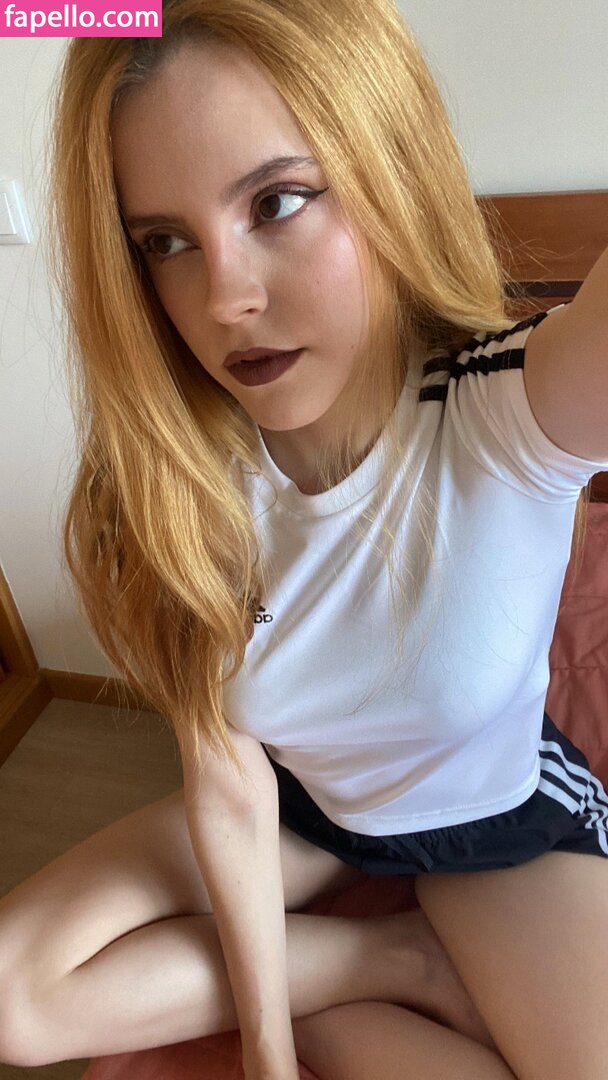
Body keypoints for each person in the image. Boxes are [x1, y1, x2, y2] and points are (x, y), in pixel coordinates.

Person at [1, 1, 608, 1077]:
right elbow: (229, 782)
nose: (224, 298)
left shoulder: (510, 412)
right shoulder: (175, 492)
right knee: (14, 1001)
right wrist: (269, 1051)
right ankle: (398, 962)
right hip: (303, 817)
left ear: (387, 171)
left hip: (497, 826)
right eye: (165, 243)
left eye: (276, 201)